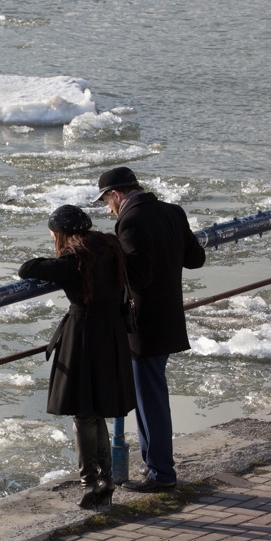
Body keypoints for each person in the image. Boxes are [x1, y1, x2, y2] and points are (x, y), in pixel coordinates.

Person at [95, 167, 206, 493]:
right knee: (151, 395)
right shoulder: (173, 211)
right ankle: (154, 465)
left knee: (150, 399)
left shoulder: (129, 221)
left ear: (116, 195)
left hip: (143, 326)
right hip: (170, 316)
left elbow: (138, 277)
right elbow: (196, 258)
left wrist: (112, 252)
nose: (108, 209)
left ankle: (161, 472)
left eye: (106, 201)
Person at [19, 205, 136, 509]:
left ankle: (91, 483)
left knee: (83, 413)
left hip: (84, 335)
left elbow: (28, 269)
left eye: (53, 235)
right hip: (112, 334)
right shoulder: (110, 246)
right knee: (96, 410)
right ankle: (106, 478)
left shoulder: (74, 260)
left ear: (62, 234)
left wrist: (53, 256)